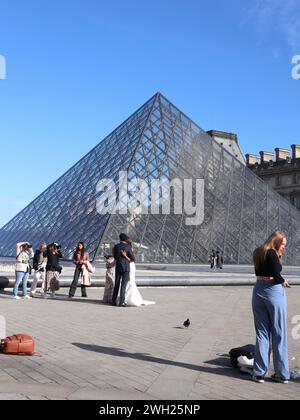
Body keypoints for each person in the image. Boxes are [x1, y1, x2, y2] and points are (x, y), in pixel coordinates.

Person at [252, 231, 291, 384]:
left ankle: (259, 373)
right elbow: (276, 274)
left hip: (258, 291)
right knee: (279, 332)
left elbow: (259, 271)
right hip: (273, 291)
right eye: (282, 244)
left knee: (262, 333)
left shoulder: (258, 252)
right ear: (276, 242)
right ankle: (281, 373)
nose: (284, 247)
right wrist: (283, 281)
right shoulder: (272, 254)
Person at [121, 239, 155, 307]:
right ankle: (126, 298)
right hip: (130, 265)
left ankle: (126, 298)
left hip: (130, 265)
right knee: (129, 281)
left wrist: (124, 256)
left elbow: (132, 259)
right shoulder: (130, 249)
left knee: (129, 281)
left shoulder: (129, 249)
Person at [111, 233, 134, 307]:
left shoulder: (116, 246)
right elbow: (133, 259)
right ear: (125, 239)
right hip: (126, 267)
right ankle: (122, 301)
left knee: (116, 284)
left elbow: (115, 257)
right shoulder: (128, 247)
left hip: (118, 267)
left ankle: (113, 301)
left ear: (120, 238)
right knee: (123, 285)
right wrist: (126, 257)